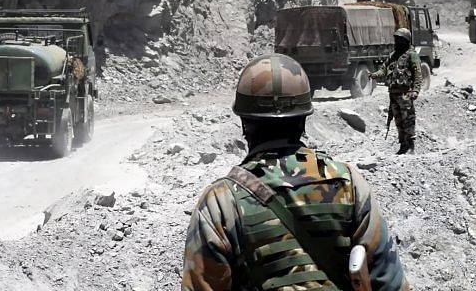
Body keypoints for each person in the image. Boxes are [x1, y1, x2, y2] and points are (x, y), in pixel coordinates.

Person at [181, 53, 409, 291]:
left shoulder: (220, 203)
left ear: (245, 123)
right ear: (303, 119)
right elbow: (390, 282)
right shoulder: (350, 185)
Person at [369, 28, 423, 154]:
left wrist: (415, 90)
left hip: (405, 93)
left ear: (405, 40)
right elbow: (384, 69)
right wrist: (374, 75)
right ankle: (403, 145)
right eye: (396, 39)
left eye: (399, 39)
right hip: (393, 93)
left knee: (408, 119)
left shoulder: (412, 55)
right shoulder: (393, 55)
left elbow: (418, 73)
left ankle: (410, 145)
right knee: (398, 120)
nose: (396, 41)